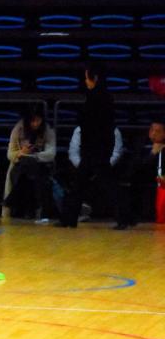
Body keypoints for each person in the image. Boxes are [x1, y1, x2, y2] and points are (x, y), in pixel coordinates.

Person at [58, 62, 124, 228]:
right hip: (98, 147)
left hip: (95, 148)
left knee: (102, 184)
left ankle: (124, 217)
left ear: (94, 78)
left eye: (87, 78)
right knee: (82, 184)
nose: (85, 81)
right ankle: (69, 219)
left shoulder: (96, 98)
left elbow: (90, 123)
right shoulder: (105, 96)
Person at [3, 105, 56, 221]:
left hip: (40, 163)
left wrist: (35, 156)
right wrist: (21, 152)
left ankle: (14, 201)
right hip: (20, 164)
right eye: (33, 121)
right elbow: (10, 154)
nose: (35, 124)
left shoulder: (47, 130)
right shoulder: (18, 129)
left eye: (38, 120)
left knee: (30, 170)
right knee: (25, 169)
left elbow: (51, 153)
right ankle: (31, 208)